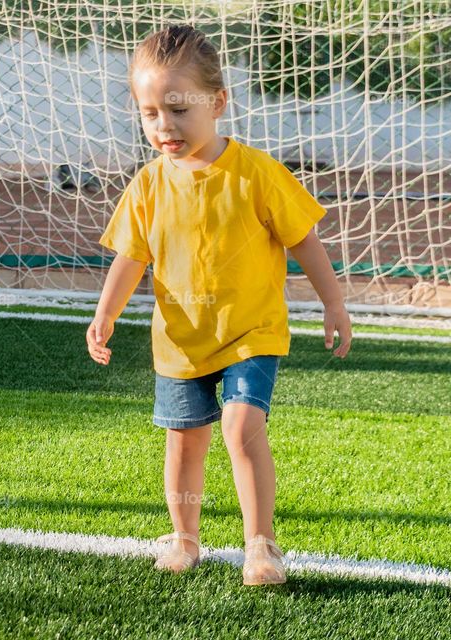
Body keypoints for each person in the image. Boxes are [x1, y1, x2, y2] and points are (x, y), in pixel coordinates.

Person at [87, 24, 352, 586]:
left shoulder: (257, 173)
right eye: (150, 112)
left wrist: (334, 302)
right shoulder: (149, 184)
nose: (165, 126)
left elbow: (304, 238)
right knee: (185, 440)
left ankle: (262, 544)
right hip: (182, 340)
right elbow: (131, 257)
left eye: (179, 109)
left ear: (219, 102)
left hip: (251, 331)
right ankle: (184, 537)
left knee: (240, 428)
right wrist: (105, 312)